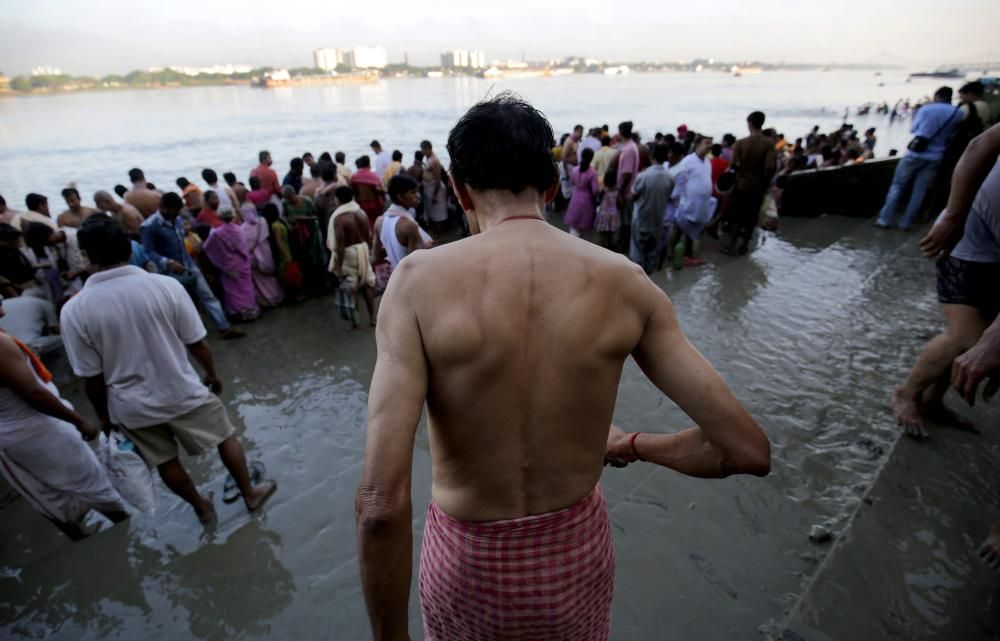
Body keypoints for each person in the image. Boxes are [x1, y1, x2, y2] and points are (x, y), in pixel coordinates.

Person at [355, 94, 770, 641]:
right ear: (552, 188)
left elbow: (382, 507)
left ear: (458, 190)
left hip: (466, 564)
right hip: (575, 559)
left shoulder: (416, 285)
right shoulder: (624, 282)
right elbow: (745, 451)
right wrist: (633, 444)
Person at [61, 216, 276, 524]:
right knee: (224, 437)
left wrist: (105, 418)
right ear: (128, 246)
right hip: (181, 388)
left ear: (86, 255)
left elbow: (90, 378)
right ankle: (250, 493)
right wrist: (212, 374)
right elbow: (197, 343)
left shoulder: (74, 310)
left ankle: (201, 507)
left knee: (165, 460)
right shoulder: (165, 286)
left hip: (130, 404)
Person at [894, 123, 1000, 436]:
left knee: (978, 334)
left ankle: (932, 400)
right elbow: (980, 145)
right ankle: (907, 393)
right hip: (968, 238)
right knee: (968, 338)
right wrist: (954, 215)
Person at [0, 315, 128, 541]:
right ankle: (127, 535)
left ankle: (90, 544)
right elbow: (34, 394)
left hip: (22, 435)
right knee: (97, 488)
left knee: (53, 497)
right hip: (38, 430)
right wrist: (78, 420)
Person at [140, 192, 245, 340]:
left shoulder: (177, 219)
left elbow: (182, 238)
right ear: (165, 208)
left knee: (208, 296)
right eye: (175, 211)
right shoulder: (149, 226)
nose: (177, 214)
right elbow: (148, 251)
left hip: (189, 265)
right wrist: (167, 262)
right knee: (180, 304)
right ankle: (190, 336)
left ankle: (224, 327)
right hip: (170, 272)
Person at [875, 87, 962, 231]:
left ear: (937, 96)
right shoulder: (957, 113)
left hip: (914, 154)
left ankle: (884, 219)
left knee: (897, 186)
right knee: (919, 191)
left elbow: (914, 129)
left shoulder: (926, 109)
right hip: (936, 155)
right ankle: (906, 223)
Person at [725, 111, 777, 255]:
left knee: (736, 216)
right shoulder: (768, 144)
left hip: (742, 184)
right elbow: (770, 168)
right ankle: (744, 246)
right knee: (751, 217)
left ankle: (732, 245)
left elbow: (733, 165)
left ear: (749, 123)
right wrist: (766, 183)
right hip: (758, 186)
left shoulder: (741, 143)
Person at [329, 186, 376, 327]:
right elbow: (368, 236)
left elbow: (340, 245)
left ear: (338, 199)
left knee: (352, 287)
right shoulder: (360, 212)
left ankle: (356, 321)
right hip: (363, 249)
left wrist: (338, 266)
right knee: (368, 284)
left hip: (349, 253)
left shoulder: (339, 219)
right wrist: (369, 253)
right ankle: (373, 319)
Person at [202, 208, 261, 321]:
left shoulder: (216, 233)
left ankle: (240, 314)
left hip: (228, 265)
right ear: (233, 216)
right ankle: (251, 310)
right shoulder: (239, 229)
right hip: (241, 262)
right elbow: (244, 248)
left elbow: (207, 247)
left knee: (233, 291)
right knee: (246, 288)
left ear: (219, 217)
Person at [667, 135, 716, 268]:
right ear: (697, 144)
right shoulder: (688, 161)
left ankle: (687, 256)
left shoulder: (707, 162)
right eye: (706, 143)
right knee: (679, 229)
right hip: (686, 202)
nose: (709, 145)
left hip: (700, 205)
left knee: (691, 232)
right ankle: (671, 252)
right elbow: (679, 180)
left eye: (711, 143)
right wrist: (677, 199)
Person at [373, 175, 432, 279]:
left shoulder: (379, 221)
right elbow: (416, 264)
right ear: (400, 196)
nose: (417, 196)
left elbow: (377, 256)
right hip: (412, 279)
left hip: (397, 277)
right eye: (413, 192)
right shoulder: (409, 226)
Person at [629, 143, 675, 274]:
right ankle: (649, 281)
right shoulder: (670, 177)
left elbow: (633, 196)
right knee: (651, 256)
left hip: (641, 220)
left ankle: (637, 285)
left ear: (652, 156)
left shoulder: (643, 176)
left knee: (637, 255)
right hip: (657, 221)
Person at [240, 201, 284, 307]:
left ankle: (268, 299)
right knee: (271, 277)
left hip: (254, 257)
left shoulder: (242, 229)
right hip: (266, 251)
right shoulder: (262, 221)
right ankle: (278, 295)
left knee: (261, 280)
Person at [282, 186, 325, 294]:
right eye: (287, 199)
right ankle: (309, 286)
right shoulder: (285, 204)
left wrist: (303, 219)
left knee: (315, 255)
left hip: (311, 231)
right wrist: (290, 224)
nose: (290, 201)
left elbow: (316, 216)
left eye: (290, 198)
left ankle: (321, 283)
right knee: (303, 258)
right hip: (297, 234)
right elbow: (285, 217)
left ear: (294, 194)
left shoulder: (306, 201)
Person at [261, 203, 304, 302]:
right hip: (286, 252)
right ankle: (297, 295)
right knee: (292, 274)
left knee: (287, 274)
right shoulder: (278, 223)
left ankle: (293, 295)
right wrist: (287, 255)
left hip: (284, 253)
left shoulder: (274, 224)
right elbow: (280, 242)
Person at [565, 147, 600, 238]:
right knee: (585, 231)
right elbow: (595, 190)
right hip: (587, 202)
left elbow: (572, 182)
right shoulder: (593, 173)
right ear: (591, 158)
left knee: (573, 229)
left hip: (575, 199)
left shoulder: (575, 169)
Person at [616, 121, 640, 250]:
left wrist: (619, 191)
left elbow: (627, 173)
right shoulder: (629, 146)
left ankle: (623, 245)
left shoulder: (630, 149)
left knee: (626, 220)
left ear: (621, 132)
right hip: (627, 189)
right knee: (625, 219)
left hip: (626, 191)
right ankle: (623, 242)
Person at [351, 156, 386, 229]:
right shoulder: (374, 176)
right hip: (375, 205)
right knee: (377, 225)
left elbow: (353, 192)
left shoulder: (354, 177)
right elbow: (381, 191)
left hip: (361, 205)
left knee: (364, 226)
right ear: (369, 164)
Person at [420, 140, 448, 234]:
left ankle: (441, 234)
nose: (422, 152)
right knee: (434, 212)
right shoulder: (429, 158)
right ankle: (439, 232)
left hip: (436, 189)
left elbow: (438, 179)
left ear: (427, 149)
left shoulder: (433, 160)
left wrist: (435, 194)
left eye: (423, 149)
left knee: (438, 213)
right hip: (430, 188)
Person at [594, 167, 621, 249]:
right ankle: (609, 247)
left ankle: (602, 248)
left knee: (602, 234)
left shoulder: (603, 189)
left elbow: (598, 197)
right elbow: (620, 202)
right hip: (613, 214)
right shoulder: (617, 190)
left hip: (603, 214)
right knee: (610, 234)